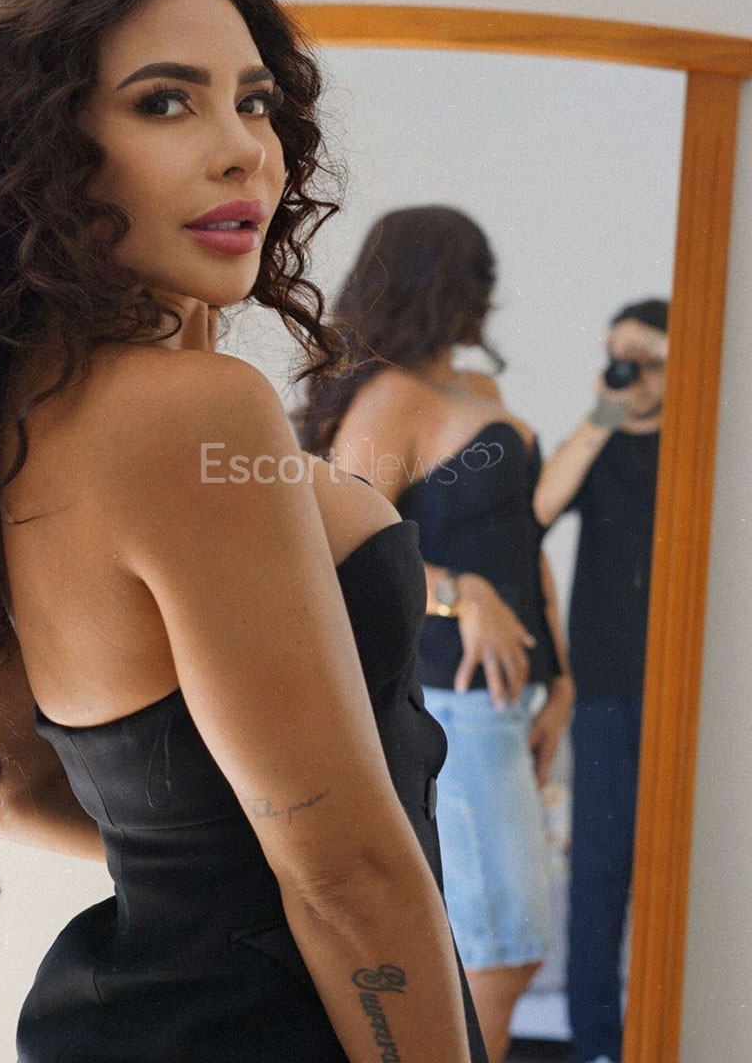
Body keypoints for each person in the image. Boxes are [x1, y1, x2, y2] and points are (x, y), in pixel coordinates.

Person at [0, 0, 490, 1062]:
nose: (245, 149)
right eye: (164, 102)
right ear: (38, 147)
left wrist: (218, 875)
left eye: (255, 102)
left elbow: (5, 789)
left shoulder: (14, 419)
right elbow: (347, 877)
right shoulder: (193, 412)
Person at [297, 206, 576, 1063]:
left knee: (506, 943)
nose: (484, 297)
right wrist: (459, 592)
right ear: (433, 283)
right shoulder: (389, 400)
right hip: (454, 700)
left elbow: (523, 541)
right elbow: (334, 552)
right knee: (503, 949)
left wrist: (563, 678)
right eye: (472, 277)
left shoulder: (479, 393)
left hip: (516, 697)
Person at [533, 298, 669, 1063]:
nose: (632, 371)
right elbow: (538, 510)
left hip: (688, 694)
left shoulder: (699, 451)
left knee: (675, 868)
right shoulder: (600, 445)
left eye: (649, 359)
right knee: (598, 872)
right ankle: (595, 1046)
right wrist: (602, 414)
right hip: (606, 689)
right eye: (621, 354)